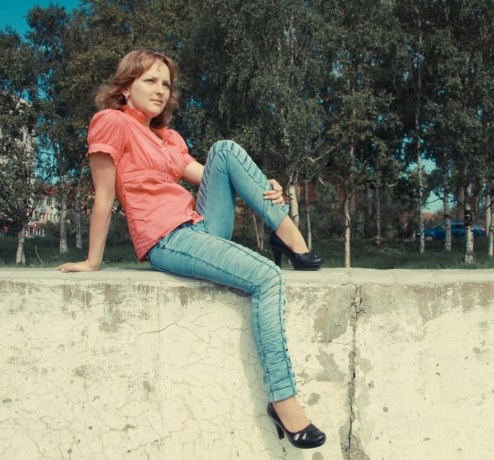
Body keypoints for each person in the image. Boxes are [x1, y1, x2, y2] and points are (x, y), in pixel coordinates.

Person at [58, 50, 325, 449]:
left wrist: (266, 187)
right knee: (268, 277)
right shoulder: (111, 122)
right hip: (167, 238)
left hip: (199, 227)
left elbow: (218, 175)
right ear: (126, 87)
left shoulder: (167, 137)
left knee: (227, 150)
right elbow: (104, 195)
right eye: (150, 81)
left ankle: (288, 234)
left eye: (166, 84)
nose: (160, 91)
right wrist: (93, 261)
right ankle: (282, 400)